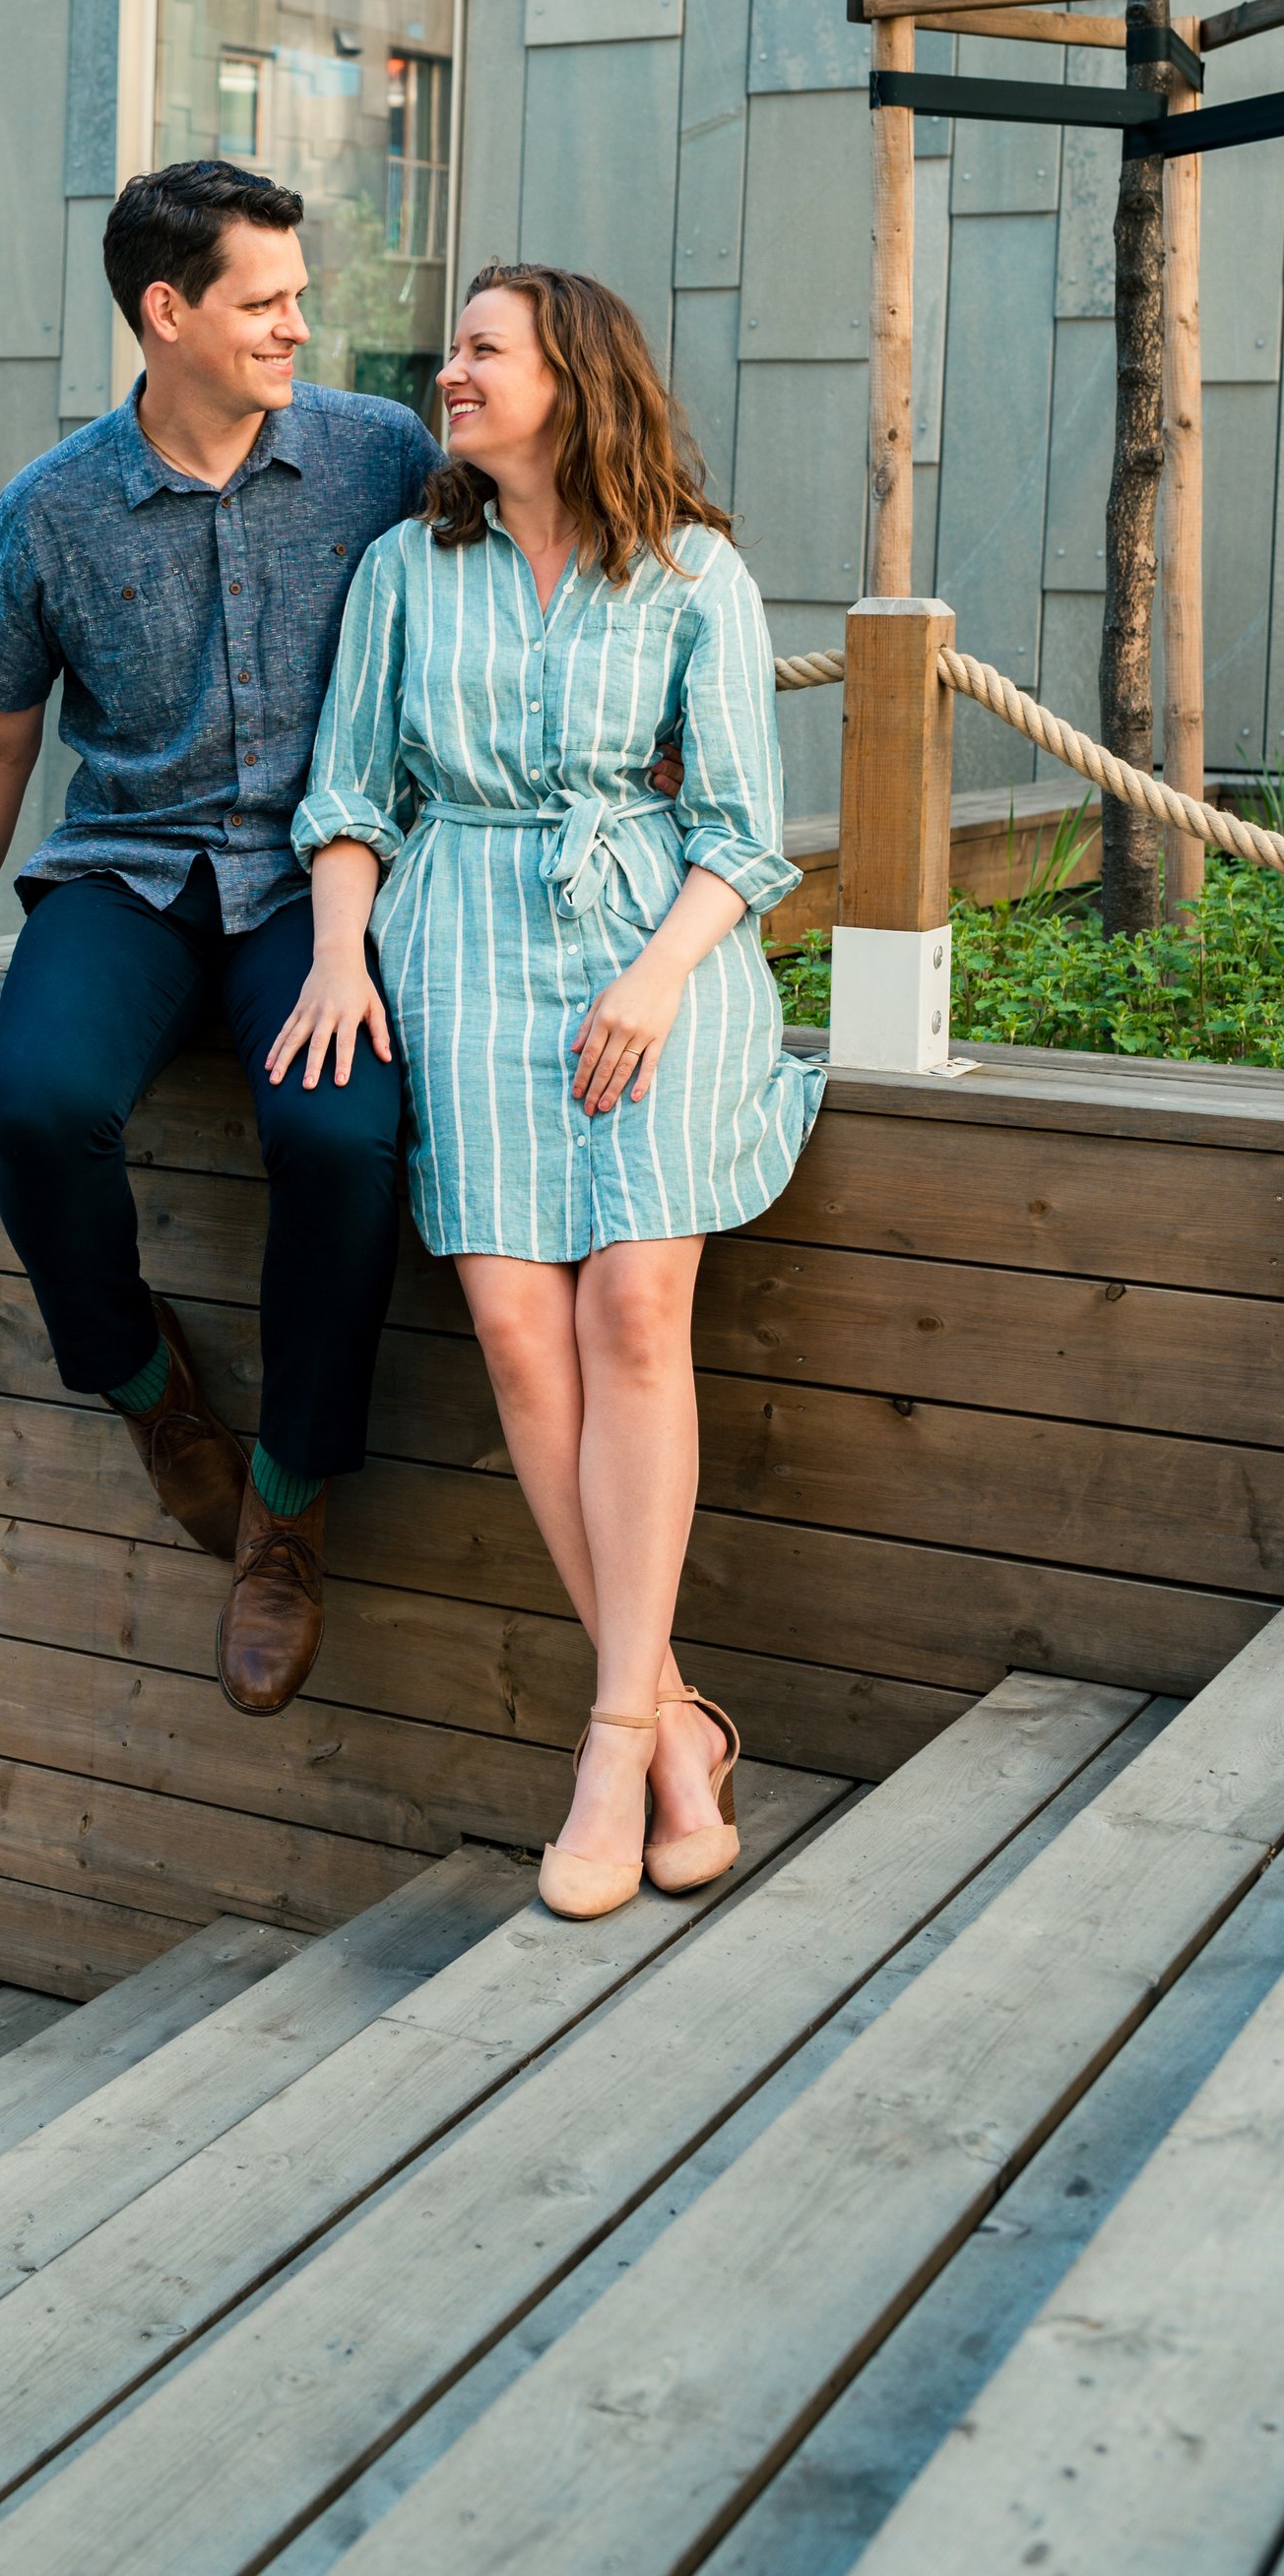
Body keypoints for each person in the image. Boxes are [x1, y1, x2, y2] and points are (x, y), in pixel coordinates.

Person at [278, 265, 822, 1915]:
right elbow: (351, 794)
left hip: (653, 955)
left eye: (481, 349)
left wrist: (658, 975)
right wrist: (336, 956)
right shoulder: (402, 569)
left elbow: (741, 826)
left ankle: (609, 1735)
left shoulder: (692, 572)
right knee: (521, 1328)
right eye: (453, 348)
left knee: (632, 1314)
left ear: (571, 376)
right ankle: (677, 1725)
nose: (448, 372)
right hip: (457, 959)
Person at [0, 160, 441, 1712]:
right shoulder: (53, 508)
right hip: (127, 871)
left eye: (298, 294)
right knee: (40, 1101)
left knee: (340, 1138)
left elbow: (507, 580)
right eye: (265, 300)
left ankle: (289, 1501)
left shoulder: (378, 454)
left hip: (323, 883)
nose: (296, 324)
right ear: (167, 310)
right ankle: (144, 1388)